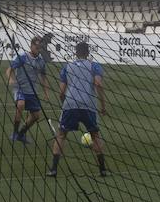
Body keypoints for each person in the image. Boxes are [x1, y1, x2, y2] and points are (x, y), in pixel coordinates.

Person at [48, 41, 109, 178]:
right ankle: (103, 170)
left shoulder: (67, 67)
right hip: (88, 105)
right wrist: (103, 106)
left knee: (61, 135)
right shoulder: (95, 66)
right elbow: (98, 84)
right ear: (88, 53)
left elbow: (61, 92)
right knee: (95, 136)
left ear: (75, 53)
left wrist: (65, 103)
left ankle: (53, 169)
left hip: (70, 105)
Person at [8, 36, 50, 145]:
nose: (38, 48)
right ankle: (15, 133)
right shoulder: (23, 57)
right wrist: (11, 79)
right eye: (36, 46)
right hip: (20, 88)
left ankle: (21, 134)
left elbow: (44, 78)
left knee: (36, 116)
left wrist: (46, 93)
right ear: (31, 46)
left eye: (39, 46)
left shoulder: (41, 62)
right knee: (20, 105)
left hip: (32, 91)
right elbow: (9, 70)